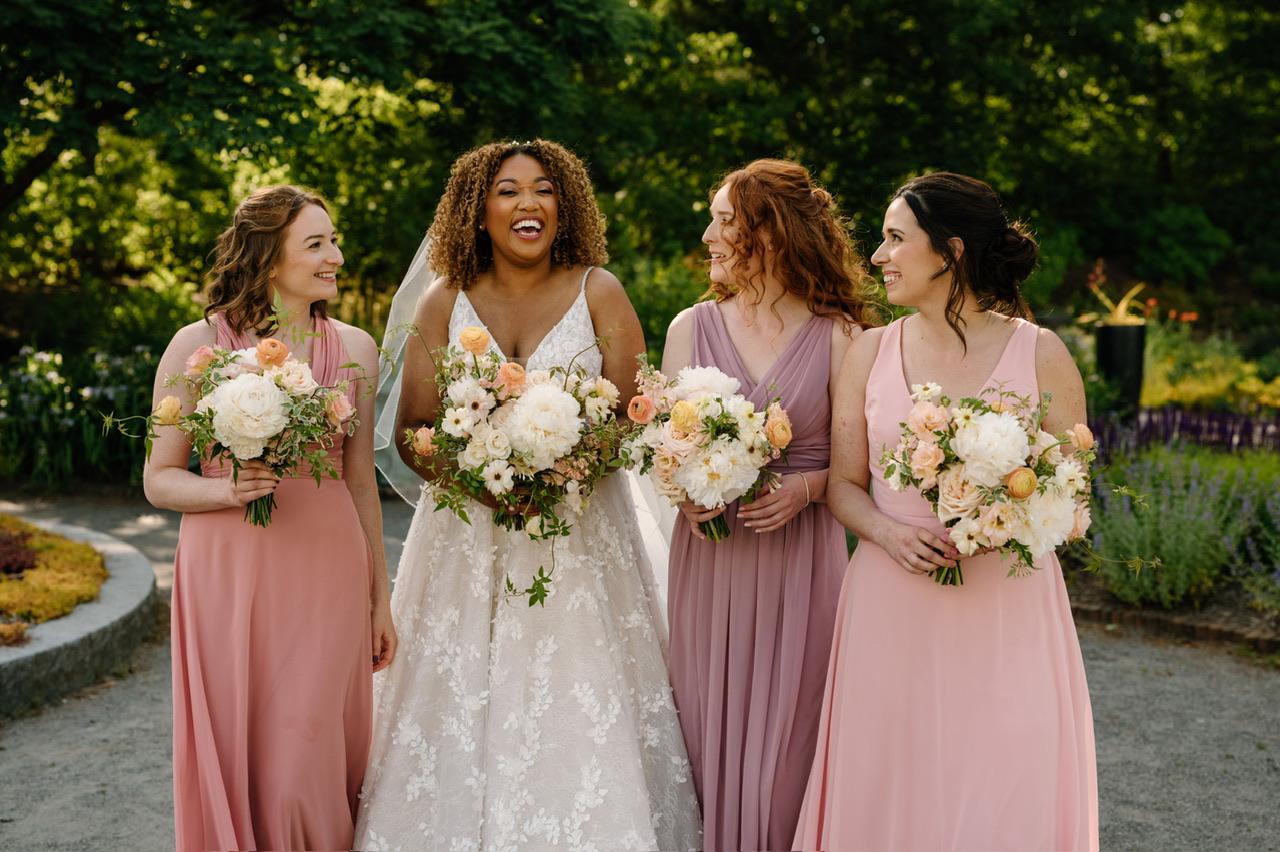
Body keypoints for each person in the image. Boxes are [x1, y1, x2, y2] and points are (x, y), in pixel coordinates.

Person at [355, 139, 702, 851]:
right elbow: (415, 429)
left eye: (543, 189)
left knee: (580, 689)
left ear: (563, 206)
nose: (528, 203)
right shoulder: (443, 300)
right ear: (478, 211)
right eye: (508, 190)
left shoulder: (598, 290)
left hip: (579, 537)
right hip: (467, 538)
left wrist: (563, 470)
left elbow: (634, 415)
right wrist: (481, 482)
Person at [794, 172, 1098, 851]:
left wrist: (1000, 520)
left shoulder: (1041, 352)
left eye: (895, 238)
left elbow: (1072, 491)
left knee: (1001, 773)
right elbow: (844, 485)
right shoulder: (869, 351)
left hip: (1005, 603)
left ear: (950, 251)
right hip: (891, 596)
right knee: (891, 772)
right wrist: (888, 532)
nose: (879, 255)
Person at [144, 185, 396, 851]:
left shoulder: (357, 349)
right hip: (227, 570)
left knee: (304, 760)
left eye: (334, 241)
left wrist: (380, 597)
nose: (335, 256)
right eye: (316, 244)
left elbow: (360, 482)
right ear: (268, 257)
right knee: (239, 741)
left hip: (327, 568)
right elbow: (159, 478)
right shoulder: (198, 344)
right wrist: (227, 492)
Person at [660, 159, 873, 851]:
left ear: (772, 233)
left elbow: (864, 471)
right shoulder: (689, 327)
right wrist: (684, 491)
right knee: (703, 730)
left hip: (802, 567)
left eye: (724, 221)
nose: (708, 236)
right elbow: (666, 447)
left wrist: (806, 488)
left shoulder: (840, 336)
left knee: (789, 752)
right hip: (711, 563)